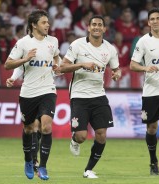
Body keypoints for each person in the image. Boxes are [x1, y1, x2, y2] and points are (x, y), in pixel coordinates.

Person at [60, 15, 121, 179]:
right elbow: (62, 67)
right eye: (93, 24)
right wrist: (81, 64)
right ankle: (74, 139)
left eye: (100, 25)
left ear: (104, 29)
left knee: (101, 134)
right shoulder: (77, 45)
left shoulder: (110, 49)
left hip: (99, 95)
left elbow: (116, 69)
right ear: (88, 27)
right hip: (79, 96)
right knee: (81, 137)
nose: (96, 27)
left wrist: (117, 74)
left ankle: (88, 170)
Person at [4, 9, 60, 180]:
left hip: (48, 89)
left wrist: (57, 66)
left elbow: (56, 57)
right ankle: (28, 160)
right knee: (29, 129)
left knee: (46, 126)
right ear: (34, 25)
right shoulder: (23, 43)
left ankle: (42, 167)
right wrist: (24, 60)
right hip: (28, 92)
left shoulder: (53, 41)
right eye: (44, 22)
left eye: (48, 22)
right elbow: (8, 64)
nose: (48, 25)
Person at [130, 7, 159, 175]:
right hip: (150, 92)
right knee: (151, 129)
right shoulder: (143, 41)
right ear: (149, 22)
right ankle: (153, 162)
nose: (155, 21)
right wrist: (145, 67)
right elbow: (132, 65)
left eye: (158, 18)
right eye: (152, 19)